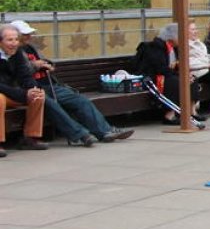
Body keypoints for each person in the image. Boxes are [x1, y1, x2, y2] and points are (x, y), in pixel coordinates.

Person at [11, 20, 132, 146]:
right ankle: (81, 135)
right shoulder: (13, 52)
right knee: (52, 105)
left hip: (48, 85)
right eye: (25, 34)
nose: (29, 36)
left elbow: (44, 61)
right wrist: (34, 66)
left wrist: (47, 64)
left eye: (29, 33)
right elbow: (18, 72)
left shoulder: (30, 48)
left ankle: (105, 131)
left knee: (80, 100)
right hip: (30, 88)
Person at [136, 23, 203, 125]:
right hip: (154, 78)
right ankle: (169, 115)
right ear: (172, 36)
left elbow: (175, 65)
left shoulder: (174, 47)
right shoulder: (156, 47)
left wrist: (184, 74)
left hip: (167, 74)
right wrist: (180, 75)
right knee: (176, 82)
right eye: (180, 36)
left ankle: (191, 111)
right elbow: (160, 68)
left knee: (193, 79)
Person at [0, 23, 48, 154]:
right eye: (9, 40)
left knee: (38, 95)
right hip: (4, 93)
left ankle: (30, 138)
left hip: (15, 93)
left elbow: (25, 76)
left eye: (16, 39)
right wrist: (23, 94)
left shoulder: (18, 53)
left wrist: (33, 89)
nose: (14, 43)